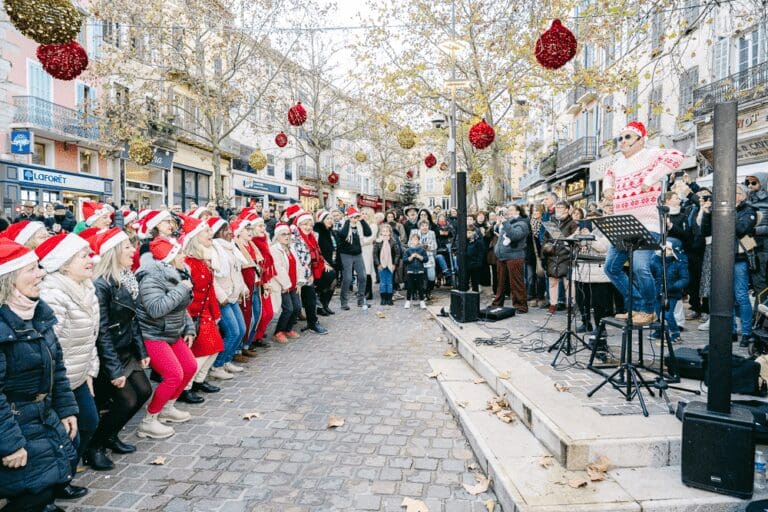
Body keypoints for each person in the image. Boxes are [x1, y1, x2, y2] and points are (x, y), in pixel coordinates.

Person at [0, 239, 82, 510]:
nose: (41, 274)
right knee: (34, 491)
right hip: (14, 421)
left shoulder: (37, 313)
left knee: (55, 476)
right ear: (8, 279)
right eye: (31, 269)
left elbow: (56, 367)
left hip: (41, 414)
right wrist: (10, 444)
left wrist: (66, 408)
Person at [601, 121, 685, 325]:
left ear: (641, 140)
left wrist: (650, 178)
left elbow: (677, 156)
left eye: (627, 137)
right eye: (620, 138)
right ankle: (636, 305)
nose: (622, 141)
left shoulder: (650, 154)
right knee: (611, 268)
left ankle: (649, 310)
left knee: (640, 268)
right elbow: (608, 174)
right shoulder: (618, 164)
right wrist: (607, 188)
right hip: (623, 224)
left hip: (648, 224)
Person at [37, 234, 106, 472]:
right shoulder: (52, 295)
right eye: (83, 256)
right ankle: (59, 480)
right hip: (59, 381)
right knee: (67, 434)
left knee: (89, 422)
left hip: (78, 375)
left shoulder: (87, 287)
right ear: (65, 264)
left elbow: (91, 337)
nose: (91, 260)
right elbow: (49, 347)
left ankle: (66, 473)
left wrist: (89, 371)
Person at [90, 228, 152, 461]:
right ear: (113, 252)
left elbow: (131, 319)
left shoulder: (125, 278)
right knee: (127, 399)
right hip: (111, 354)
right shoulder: (101, 285)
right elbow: (102, 332)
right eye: (127, 247)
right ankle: (95, 446)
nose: (133, 250)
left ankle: (110, 434)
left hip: (127, 350)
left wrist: (141, 350)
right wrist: (114, 369)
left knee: (144, 391)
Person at [135, 237, 196, 439]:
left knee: (190, 367)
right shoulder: (151, 278)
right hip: (152, 333)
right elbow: (156, 309)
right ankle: (149, 421)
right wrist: (182, 288)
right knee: (173, 375)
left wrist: (189, 328)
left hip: (172, 332)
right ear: (169, 257)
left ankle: (167, 408)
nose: (184, 256)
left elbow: (181, 308)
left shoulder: (176, 273)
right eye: (179, 253)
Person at [701, 184, 757, 346]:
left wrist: (727, 211)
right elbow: (705, 231)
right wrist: (707, 214)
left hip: (740, 257)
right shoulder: (722, 210)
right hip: (722, 258)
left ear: (743, 196)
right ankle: (730, 331)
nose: (732, 195)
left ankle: (746, 333)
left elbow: (741, 229)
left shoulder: (748, 211)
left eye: (736, 192)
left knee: (741, 296)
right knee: (726, 296)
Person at [177, 215, 226, 391]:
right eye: (206, 231)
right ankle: (186, 387)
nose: (210, 233)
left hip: (205, 312)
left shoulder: (201, 261)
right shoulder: (189, 264)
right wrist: (190, 319)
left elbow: (209, 290)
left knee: (216, 347)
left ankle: (199, 380)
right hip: (194, 314)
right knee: (203, 351)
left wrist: (215, 313)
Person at [209, 218, 248, 377]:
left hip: (233, 295)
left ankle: (226, 360)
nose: (230, 232)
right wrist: (221, 296)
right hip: (223, 298)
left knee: (241, 330)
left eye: (230, 229)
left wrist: (243, 288)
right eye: (226, 230)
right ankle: (217, 366)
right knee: (232, 331)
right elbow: (212, 277)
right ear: (218, 232)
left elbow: (237, 272)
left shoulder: (232, 247)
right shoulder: (214, 248)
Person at [573, 216, 614, 333]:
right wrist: (575, 234)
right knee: (581, 298)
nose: (590, 221)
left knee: (598, 301)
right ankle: (585, 323)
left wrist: (589, 235)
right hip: (581, 269)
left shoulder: (606, 230)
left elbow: (603, 247)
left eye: (593, 218)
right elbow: (567, 244)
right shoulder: (581, 229)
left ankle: (600, 327)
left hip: (598, 270)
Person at [292, 211, 328, 334]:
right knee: (293, 303)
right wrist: (308, 274)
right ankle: (284, 328)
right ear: (299, 225)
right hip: (297, 274)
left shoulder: (311, 237)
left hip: (306, 273)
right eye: (305, 224)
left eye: (310, 225)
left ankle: (312, 323)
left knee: (310, 298)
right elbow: (299, 260)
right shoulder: (295, 239)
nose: (308, 227)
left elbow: (312, 258)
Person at [541, 201, 578, 314]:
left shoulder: (572, 223)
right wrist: (544, 252)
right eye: (557, 207)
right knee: (552, 282)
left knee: (568, 283)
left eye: (561, 207)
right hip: (552, 255)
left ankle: (571, 305)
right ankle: (553, 304)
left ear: (567, 209)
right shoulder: (551, 222)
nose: (558, 209)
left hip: (566, 255)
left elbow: (575, 241)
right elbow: (545, 239)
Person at [491, 205, 529, 313]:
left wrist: (505, 223)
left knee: (516, 283)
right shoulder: (508, 223)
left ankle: (520, 306)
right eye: (508, 210)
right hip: (502, 256)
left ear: (518, 211)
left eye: (512, 210)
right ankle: (497, 303)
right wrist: (498, 223)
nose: (509, 212)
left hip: (514, 256)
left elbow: (514, 236)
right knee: (501, 283)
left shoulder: (522, 224)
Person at [650, 241, 689, 343]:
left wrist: (674, 286)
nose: (664, 251)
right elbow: (651, 273)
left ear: (674, 251)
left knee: (668, 314)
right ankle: (658, 332)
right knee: (656, 313)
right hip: (658, 292)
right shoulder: (656, 260)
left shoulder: (679, 263)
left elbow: (685, 279)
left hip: (672, 294)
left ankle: (676, 334)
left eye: (668, 249)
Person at [271, 223, 301, 343]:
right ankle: (278, 332)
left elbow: (298, 265)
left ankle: (288, 329)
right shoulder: (274, 250)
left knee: (297, 308)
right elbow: (278, 269)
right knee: (288, 309)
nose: (287, 236)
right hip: (283, 285)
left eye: (288, 234)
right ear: (277, 236)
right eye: (283, 234)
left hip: (293, 284)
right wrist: (286, 284)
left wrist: (299, 282)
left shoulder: (291, 248)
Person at [338, 207, 372, 310]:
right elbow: (343, 235)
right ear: (349, 217)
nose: (355, 219)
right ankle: (344, 302)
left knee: (362, 277)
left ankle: (361, 301)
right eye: (353, 217)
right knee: (347, 278)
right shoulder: (344, 225)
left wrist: (362, 220)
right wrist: (348, 221)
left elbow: (368, 233)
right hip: (346, 254)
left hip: (357, 254)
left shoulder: (359, 226)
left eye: (356, 217)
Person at [314, 210, 340, 315]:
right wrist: (323, 262)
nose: (330, 220)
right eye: (327, 219)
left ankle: (325, 305)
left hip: (333, 261)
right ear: (322, 220)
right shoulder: (318, 231)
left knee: (333, 283)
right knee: (326, 283)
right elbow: (316, 249)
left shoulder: (331, 231)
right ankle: (320, 307)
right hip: (323, 262)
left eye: (331, 219)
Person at [373, 223, 401, 305]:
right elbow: (375, 254)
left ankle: (389, 298)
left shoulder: (393, 242)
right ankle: (383, 298)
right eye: (383, 231)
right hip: (381, 265)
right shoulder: (378, 242)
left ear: (390, 232)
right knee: (382, 282)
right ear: (381, 232)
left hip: (390, 265)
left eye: (387, 231)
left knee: (389, 282)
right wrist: (378, 264)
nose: (385, 233)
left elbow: (397, 254)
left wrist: (394, 264)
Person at [403, 233, 429, 309]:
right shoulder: (408, 250)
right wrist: (411, 257)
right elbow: (405, 260)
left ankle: (422, 301)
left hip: (419, 271)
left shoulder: (422, 250)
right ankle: (408, 301)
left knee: (420, 287)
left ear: (418, 241)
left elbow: (426, 259)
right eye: (413, 239)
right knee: (409, 287)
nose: (414, 241)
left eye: (416, 239)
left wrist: (419, 256)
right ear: (410, 241)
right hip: (410, 271)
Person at [414, 220, 437, 300]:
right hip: (419, 258)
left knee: (431, 276)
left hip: (429, 258)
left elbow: (434, 246)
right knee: (421, 277)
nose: (424, 227)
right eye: (422, 226)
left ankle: (429, 290)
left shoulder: (432, 233)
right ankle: (423, 292)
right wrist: (421, 246)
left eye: (426, 225)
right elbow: (411, 244)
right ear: (419, 227)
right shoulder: (415, 233)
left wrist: (426, 247)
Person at [361, 209, 379, 301]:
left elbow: (371, 238)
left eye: (366, 214)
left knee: (368, 270)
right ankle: (362, 290)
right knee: (361, 270)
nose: (364, 215)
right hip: (360, 250)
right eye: (363, 213)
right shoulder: (359, 224)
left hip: (368, 249)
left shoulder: (373, 225)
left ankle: (368, 292)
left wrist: (361, 242)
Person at [466, 225, 486, 292]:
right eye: (467, 232)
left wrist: (478, 263)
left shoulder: (478, 241)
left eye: (470, 232)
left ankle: (475, 293)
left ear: (474, 232)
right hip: (467, 263)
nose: (468, 234)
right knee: (465, 280)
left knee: (475, 281)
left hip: (475, 264)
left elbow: (481, 253)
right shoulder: (464, 241)